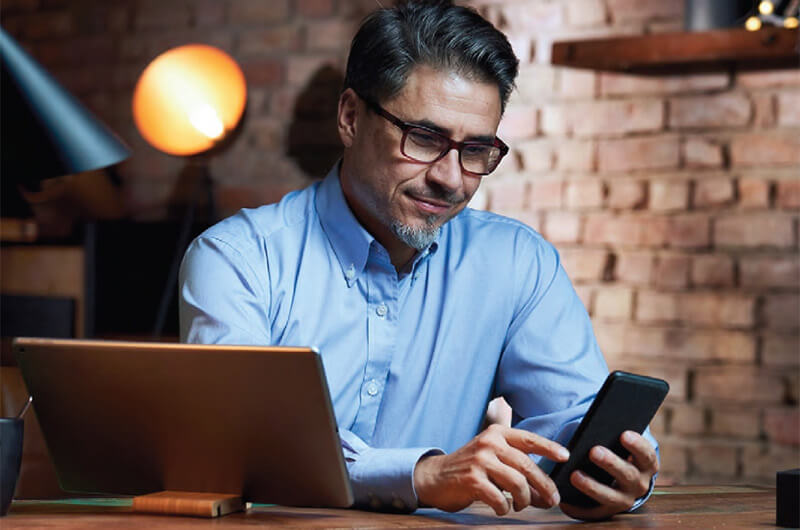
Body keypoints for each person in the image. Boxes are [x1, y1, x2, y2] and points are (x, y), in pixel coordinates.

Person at [179, 0, 659, 521]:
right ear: (350, 117)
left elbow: (572, 425)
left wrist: (614, 472)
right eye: (425, 139)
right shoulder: (238, 259)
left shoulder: (517, 263)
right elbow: (249, 450)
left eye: (476, 150)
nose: (451, 179)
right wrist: (421, 476)